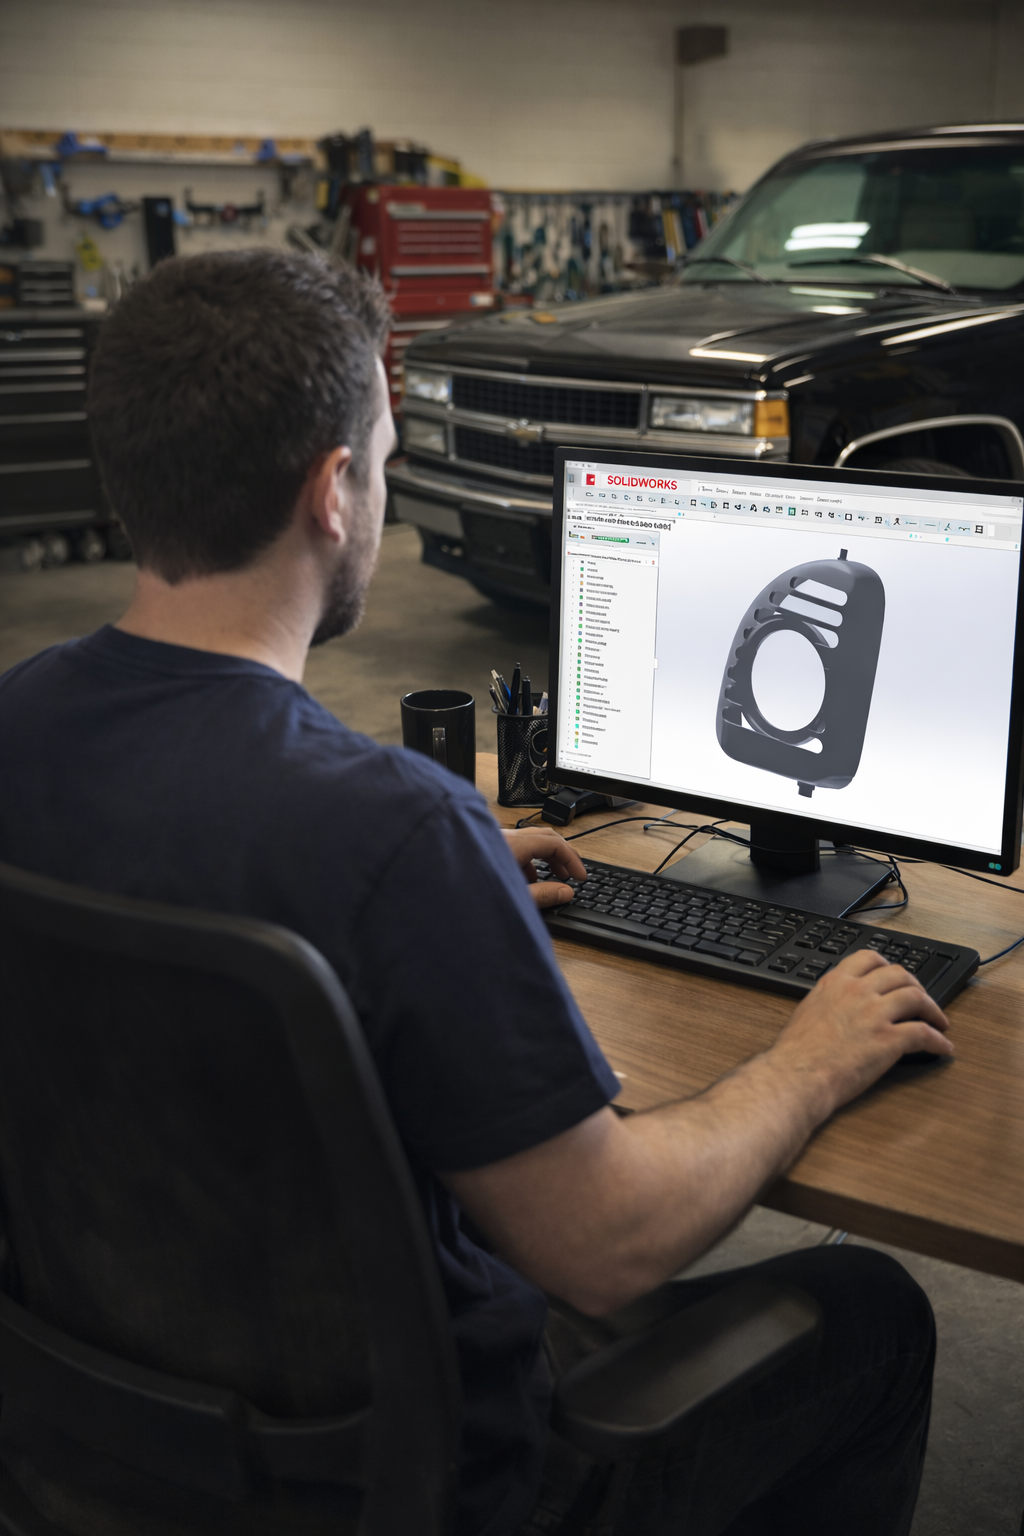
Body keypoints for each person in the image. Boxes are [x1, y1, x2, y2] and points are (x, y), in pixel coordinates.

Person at [0, 250, 951, 1536]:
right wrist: (811, 1060)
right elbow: (602, 1244)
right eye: (386, 460)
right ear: (334, 493)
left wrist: (417, 885)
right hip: (428, 1484)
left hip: (108, 1435)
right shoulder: (390, 832)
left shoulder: (25, 724)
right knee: (875, 1314)